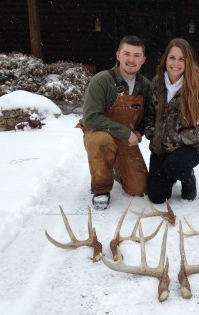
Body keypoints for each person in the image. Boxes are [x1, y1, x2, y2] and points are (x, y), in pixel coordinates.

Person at [76, 35, 150, 210]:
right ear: (118, 55)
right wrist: (125, 132)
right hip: (98, 132)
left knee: (139, 188)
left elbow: (148, 116)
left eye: (136, 55)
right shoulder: (102, 80)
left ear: (143, 60)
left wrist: (139, 131)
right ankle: (101, 188)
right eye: (127, 54)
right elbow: (90, 118)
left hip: (125, 139)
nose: (131, 60)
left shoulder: (145, 85)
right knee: (102, 141)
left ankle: (116, 165)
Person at [144, 38, 199, 204]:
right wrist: (152, 134)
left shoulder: (197, 85)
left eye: (181, 59)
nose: (176, 63)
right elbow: (148, 113)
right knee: (156, 197)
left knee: (173, 166)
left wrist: (188, 137)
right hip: (161, 149)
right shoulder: (157, 83)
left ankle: (188, 178)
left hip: (188, 148)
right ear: (166, 59)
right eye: (172, 58)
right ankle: (169, 175)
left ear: (188, 61)